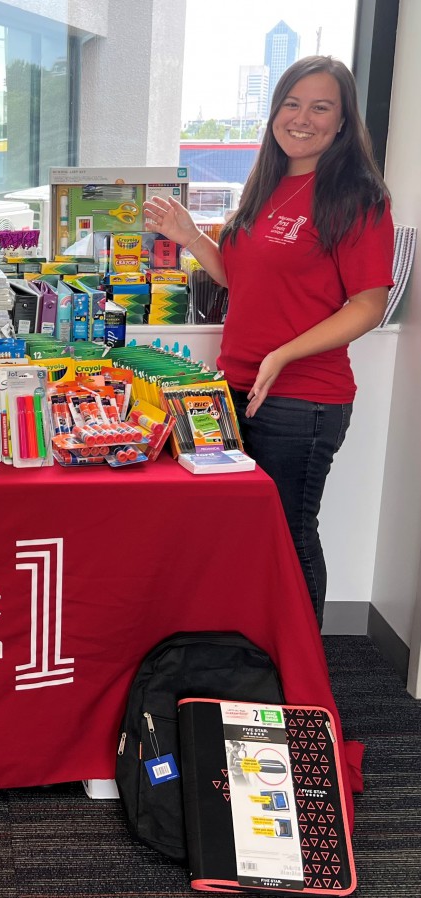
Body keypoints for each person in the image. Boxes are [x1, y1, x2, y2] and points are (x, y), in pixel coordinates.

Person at [143, 56, 394, 628]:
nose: (302, 118)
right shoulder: (269, 186)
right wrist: (189, 238)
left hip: (303, 400)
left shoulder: (356, 198)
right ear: (275, 112)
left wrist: (283, 354)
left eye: (320, 107)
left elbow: (368, 305)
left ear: (341, 121)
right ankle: (257, 648)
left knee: (290, 532)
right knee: (244, 529)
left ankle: (304, 667)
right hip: (235, 387)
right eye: (291, 103)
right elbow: (241, 279)